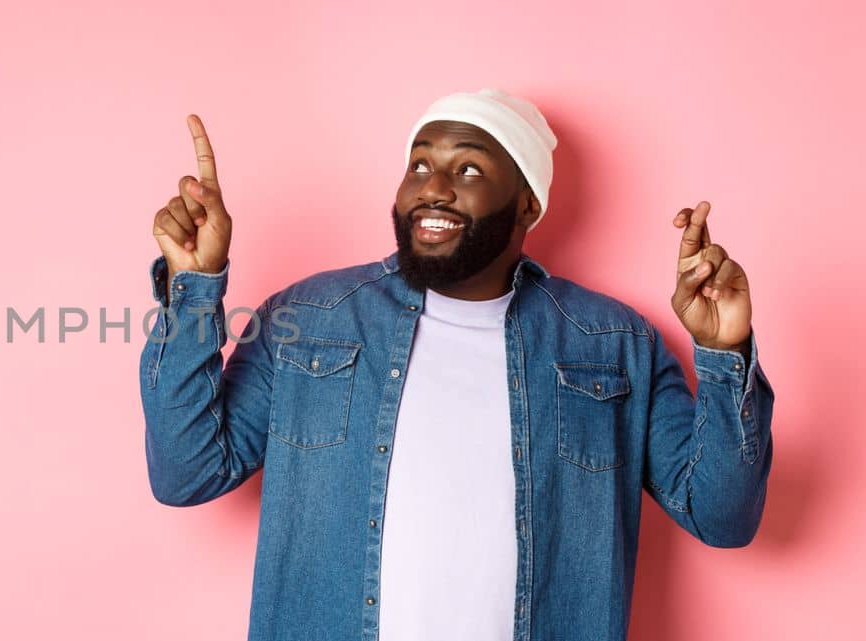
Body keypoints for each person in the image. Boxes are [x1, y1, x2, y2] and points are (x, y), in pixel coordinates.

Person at [139, 88, 774, 641]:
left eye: (468, 169)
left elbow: (721, 517)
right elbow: (186, 472)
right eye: (420, 163)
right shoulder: (310, 318)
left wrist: (724, 353)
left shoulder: (613, 343)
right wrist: (196, 285)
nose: (432, 188)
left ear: (527, 204)